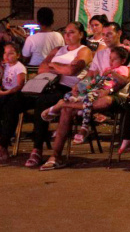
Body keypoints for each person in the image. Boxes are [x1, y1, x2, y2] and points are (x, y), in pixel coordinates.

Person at [39, 45, 130, 170]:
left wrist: (109, 89)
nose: (105, 37)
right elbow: (92, 76)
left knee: (99, 102)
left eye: (109, 34)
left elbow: (124, 80)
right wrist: (80, 85)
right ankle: (55, 156)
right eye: (104, 34)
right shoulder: (100, 55)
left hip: (116, 94)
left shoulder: (127, 54)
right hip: (95, 91)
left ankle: (63, 107)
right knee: (70, 106)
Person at [21, 22, 93, 169]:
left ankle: (37, 149)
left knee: (42, 102)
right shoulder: (57, 49)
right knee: (14, 99)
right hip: (47, 85)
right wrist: (62, 67)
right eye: (65, 32)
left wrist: (54, 66)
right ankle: (1, 144)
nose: (67, 35)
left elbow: (72, 71)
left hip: (67, 88)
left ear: (81, 34)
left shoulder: (84, 51)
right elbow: (42, 68)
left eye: (71, 32)